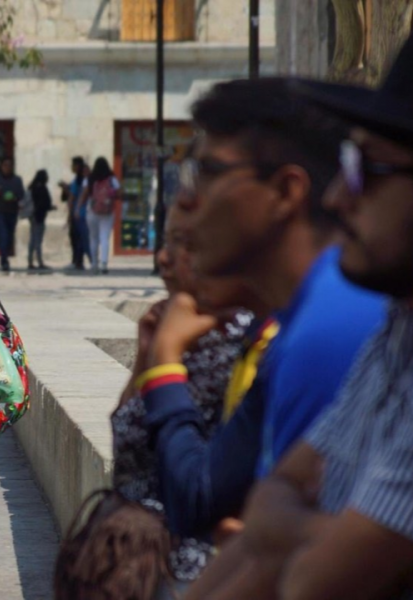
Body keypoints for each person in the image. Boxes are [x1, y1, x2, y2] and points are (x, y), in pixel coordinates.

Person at [187, 36, 413, 600]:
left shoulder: (330, 328)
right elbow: (263, 526)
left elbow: (310, 579)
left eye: (369, 170)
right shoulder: (395, 329)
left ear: (286, 191)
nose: (339, 196)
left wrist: (286, 528)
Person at [131, 78, 387, 544]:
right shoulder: (299, 322)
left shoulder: (326, 329)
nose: (187, 200)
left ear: (286, 192)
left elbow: (260, 542)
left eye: (207, 171)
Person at [111, 203, 255, 597]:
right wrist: (147, 354)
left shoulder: (240, 334)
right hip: (144, 561)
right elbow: (126, 442)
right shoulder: (170, 324)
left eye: (184, 243)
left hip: (200, 572)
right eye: (167, 240)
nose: (164, 258)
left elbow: (199, 488)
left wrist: (165, 357)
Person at [77, 157, 120, 274]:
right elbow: (119, 192)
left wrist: (78, 208)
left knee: (93, 238)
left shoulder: (90, 179)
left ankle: (94, 264)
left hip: (92, 211)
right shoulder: (112, 179)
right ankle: (104, 264)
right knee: (104, 237)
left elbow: (84, 194)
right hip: (107, 211)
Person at [0, 156, 24, 272]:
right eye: (5, 165)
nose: (7, 168)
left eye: (9, 166)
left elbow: (21, 194)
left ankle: (6, 255)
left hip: (12, 212)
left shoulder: (16, 180)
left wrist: (14, 198)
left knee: (9, 237)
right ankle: (4, 260)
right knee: (3, 235)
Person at [27, 169, 53, 271]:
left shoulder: (32, 187)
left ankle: (30, 261)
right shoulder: (41, 188)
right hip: (39, 216)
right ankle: (39, 261)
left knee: (33, 239)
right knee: (37, 240)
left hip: (32, 216)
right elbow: (44, 203)